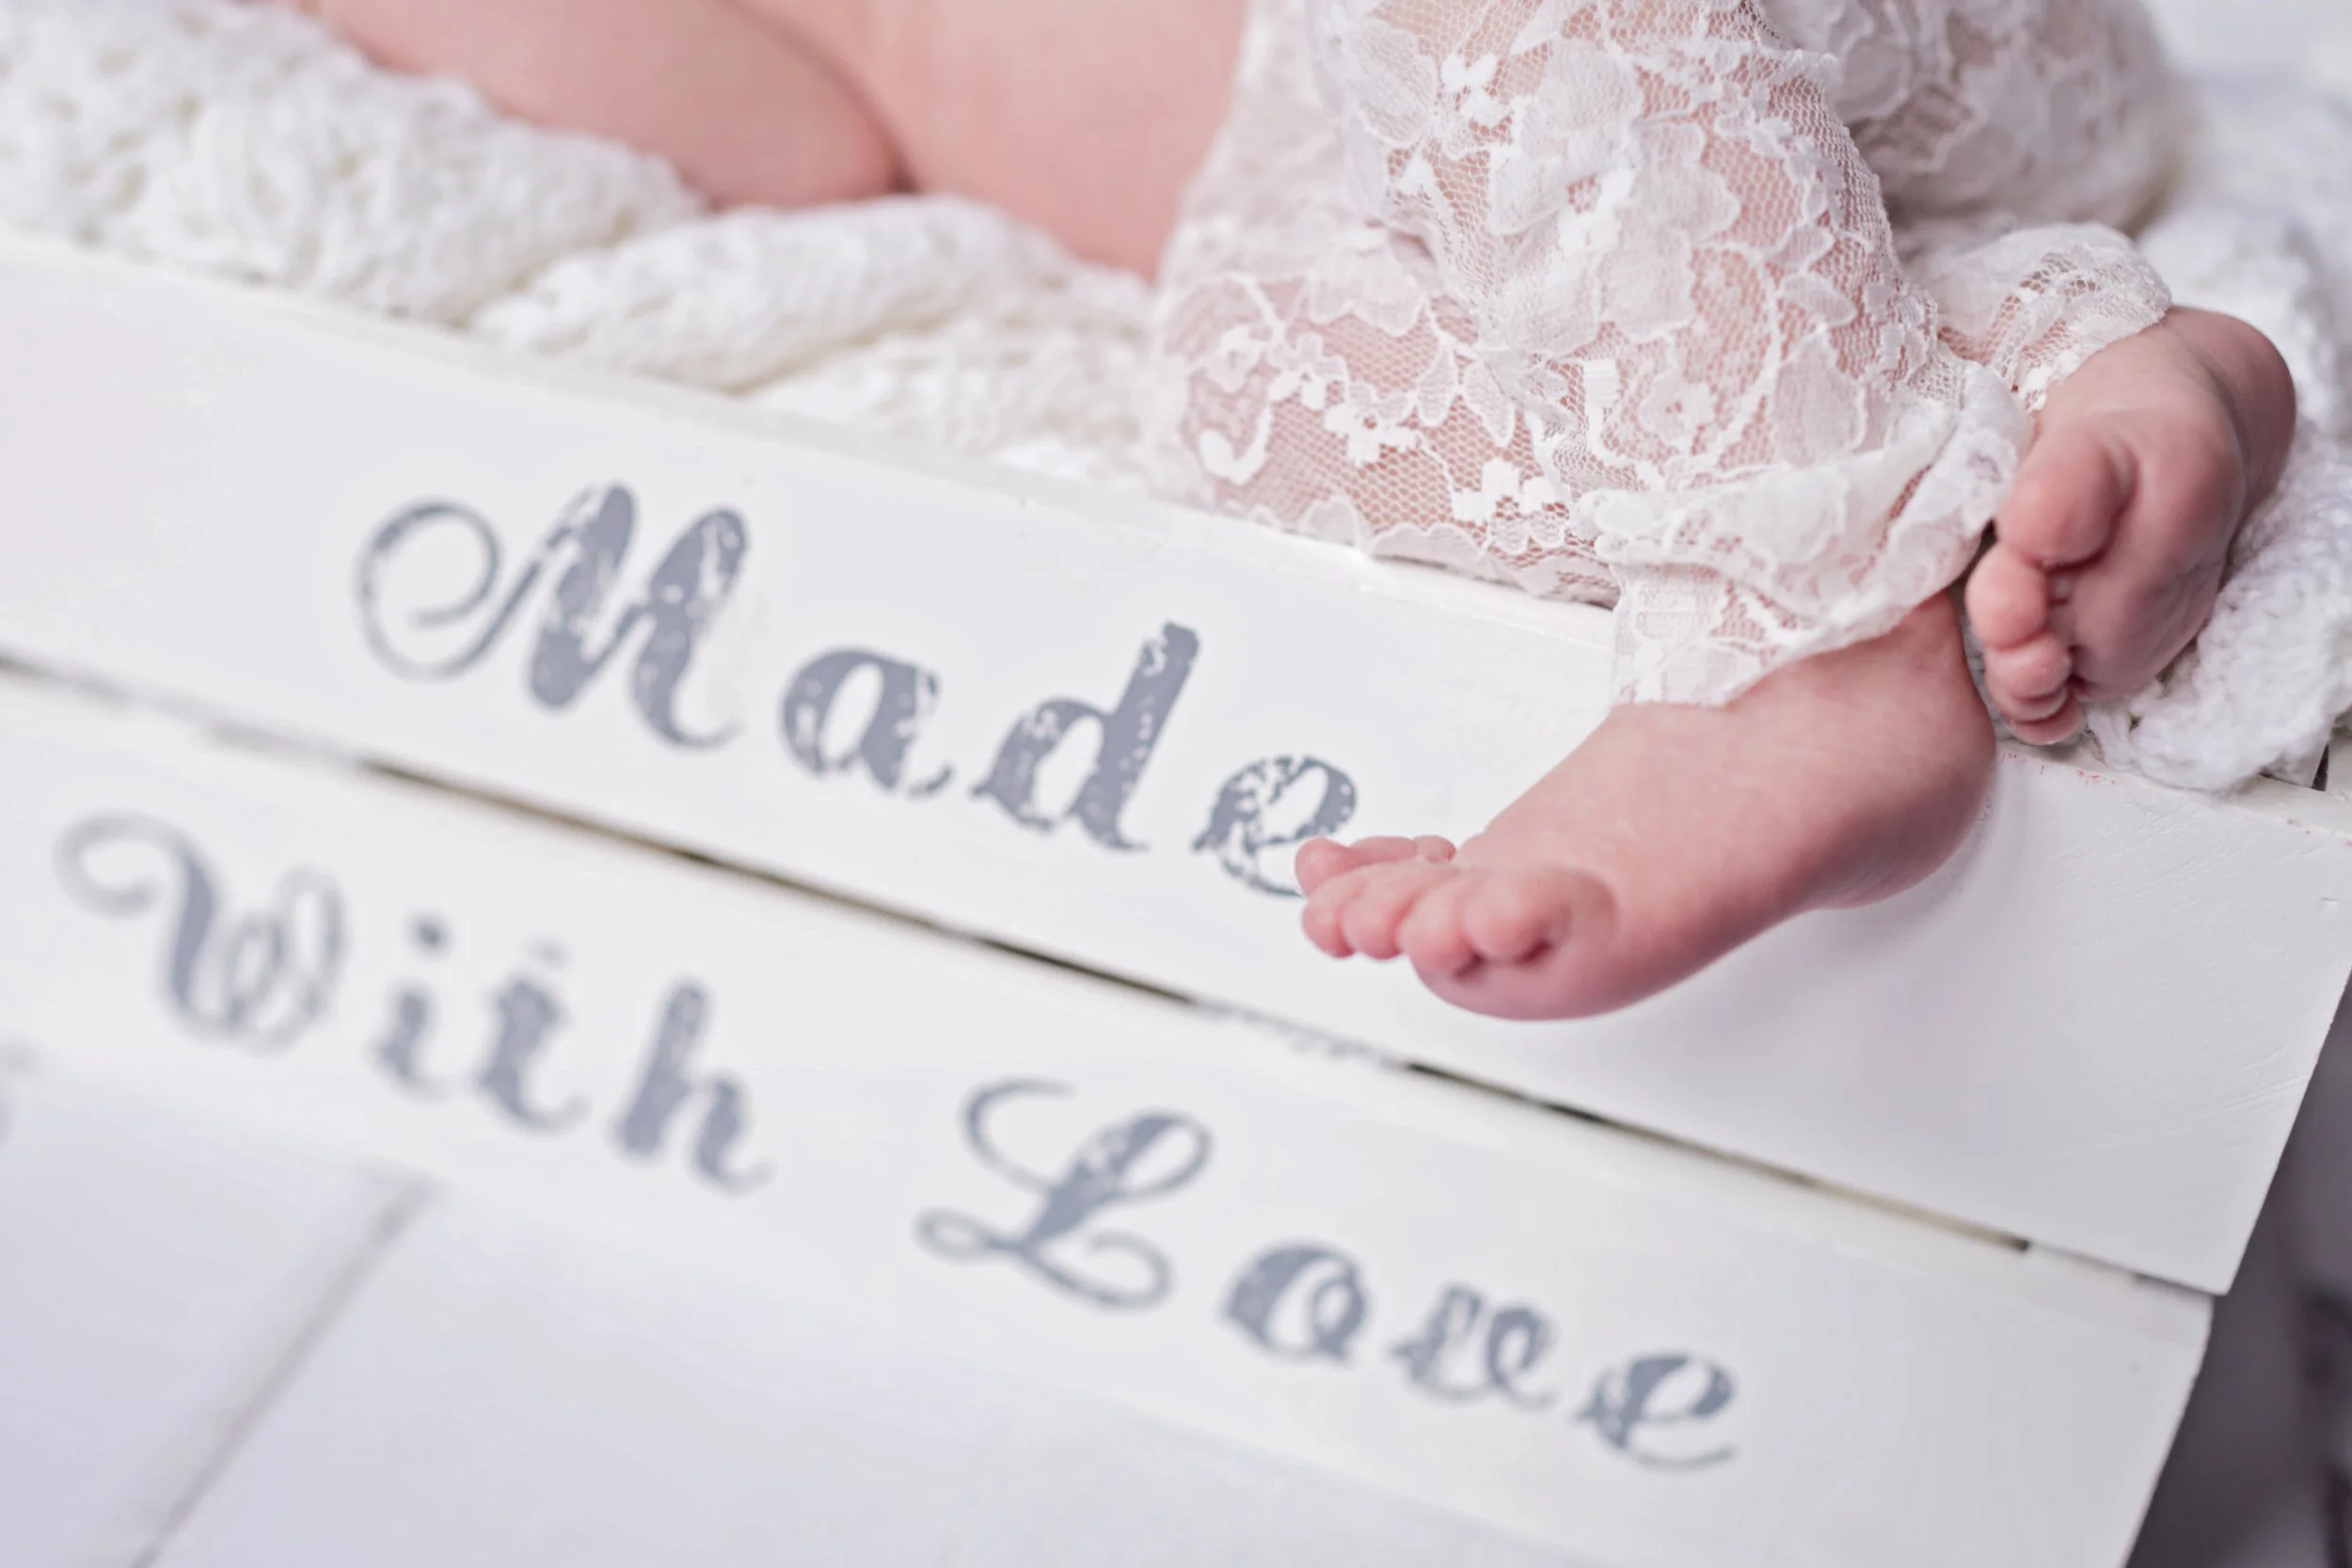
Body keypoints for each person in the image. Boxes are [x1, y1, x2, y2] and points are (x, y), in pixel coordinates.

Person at [289, 0, 2298, 1020]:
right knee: (1245, 379)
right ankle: (2096, 357)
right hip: (1444, 191)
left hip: (1802, 38)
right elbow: (797, 145)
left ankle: (1795, 640)